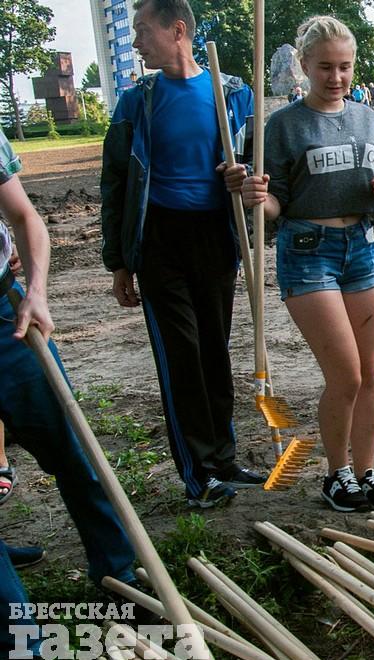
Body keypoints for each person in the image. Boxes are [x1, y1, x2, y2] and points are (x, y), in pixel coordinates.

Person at [231, 16, 374, 513]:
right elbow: (273, 207)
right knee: (345, 375)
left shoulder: (366, 117)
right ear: (304, 65)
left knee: (367, 372)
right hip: (308, 252)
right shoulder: (283, 125)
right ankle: (336, 474)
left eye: (344, 66)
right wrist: (254, 196)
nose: (336, 76)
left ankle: (367, 472)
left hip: (361, 247)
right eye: (325, 66)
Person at [101, 0, 263, 508]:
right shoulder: (137, 102)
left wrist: (245, 177)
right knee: (182, 357)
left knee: (214, 349)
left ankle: (224, 459)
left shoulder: (233, 93)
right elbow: (116, 182)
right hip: (159, 242)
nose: (135, 43)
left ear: (177, 30)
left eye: (141, 31)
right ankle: (198, 475)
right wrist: (119, 261)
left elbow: (257, 162)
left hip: (216, 235)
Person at [1, 128, 141, 660]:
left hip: (6, 317)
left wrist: (35, 292)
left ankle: (119, 574)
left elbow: (24, 216)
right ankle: (19, 644)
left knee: (74, 450)